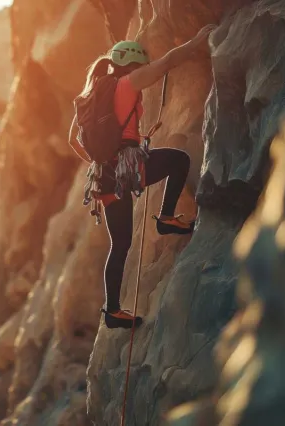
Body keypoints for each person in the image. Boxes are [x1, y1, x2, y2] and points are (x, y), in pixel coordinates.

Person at [69, 24, 216, 329]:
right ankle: (165, 218)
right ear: (133, 64)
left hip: (105, 178)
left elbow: (73, 140)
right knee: (179, 160)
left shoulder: (91, 94)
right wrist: (197, 41)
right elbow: (167, 63)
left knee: (120, 244)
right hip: (128, 166)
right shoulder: (128, 82)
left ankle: (112, 311)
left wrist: (102, 161)